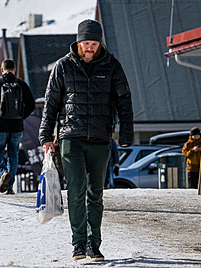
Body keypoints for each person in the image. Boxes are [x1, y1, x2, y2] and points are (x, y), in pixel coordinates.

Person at [39, 19, 133, 262]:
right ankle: (78, 242)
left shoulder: (112, 66)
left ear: (100, 43)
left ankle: (94, 244)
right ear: (78, 43)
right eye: (86, 43)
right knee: (77, 189)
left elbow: (124, 100)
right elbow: (51, 103)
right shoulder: (62, 67)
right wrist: (46, 135)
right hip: (71, 138)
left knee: (96, 193)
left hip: (101, 138)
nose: (89, 48)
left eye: (93, 43)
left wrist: (126, 133)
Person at [0, 59, 36, 194]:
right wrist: (21, 116)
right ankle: (10, 187)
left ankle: (3, 172)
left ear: (1, 69)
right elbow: (31, 104)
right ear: (14, 70)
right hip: (17, 126)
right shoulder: (21, 84)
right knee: (13, 154)